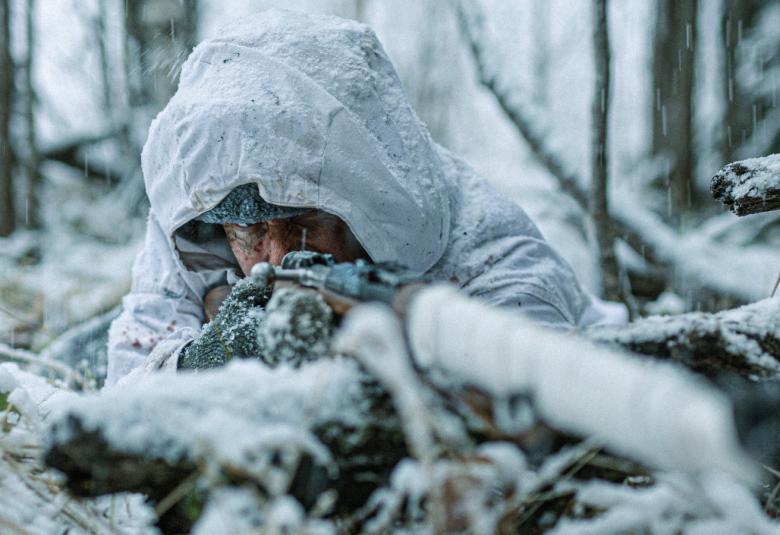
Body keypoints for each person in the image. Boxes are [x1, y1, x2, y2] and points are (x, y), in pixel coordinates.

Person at [106, 9, 611, 386]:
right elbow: (125, 388)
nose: (278, 259)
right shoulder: (201, 214)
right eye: (251, 231)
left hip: (563, 272)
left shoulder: (488, 251)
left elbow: (543, 397)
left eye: (303, 219)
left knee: (564, 229)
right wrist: (205, 359)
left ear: (363, 203)